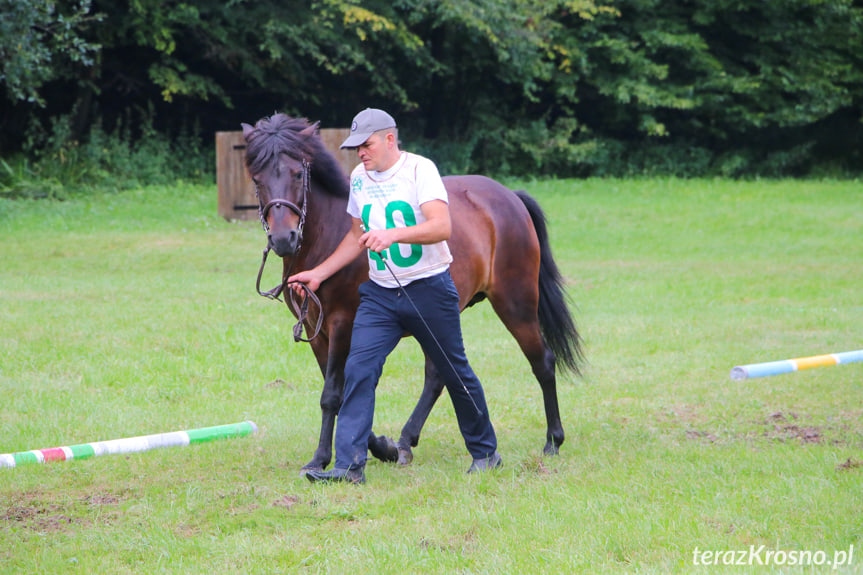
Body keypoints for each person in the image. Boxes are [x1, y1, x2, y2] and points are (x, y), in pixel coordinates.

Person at [288, 108, 501, 484]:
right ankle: (348, 467)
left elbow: (441, 226)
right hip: (380, 294)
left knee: (454, 370)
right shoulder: (358, 177)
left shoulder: (420, 170)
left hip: (429, 288)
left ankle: (485, 452)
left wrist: (391, 234)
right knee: (357, 370)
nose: (360, 154)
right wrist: (318, 274)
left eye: (366, 145)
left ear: (390, 139)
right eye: (355, 147)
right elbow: (356, 236)